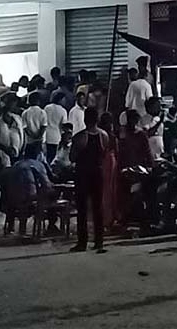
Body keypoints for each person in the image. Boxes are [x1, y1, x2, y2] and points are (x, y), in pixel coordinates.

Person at [70, 107, 109, 253]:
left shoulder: (80, 137)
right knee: (98, 207)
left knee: (82, 209)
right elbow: (104, 153)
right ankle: (99, 242)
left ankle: (82, 242)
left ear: (85, 119)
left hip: (83, 174)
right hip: (98, 173)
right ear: (97, 119)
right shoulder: (104, 136)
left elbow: (72, 157)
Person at [1, 143, 56, 237]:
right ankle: (51, 227)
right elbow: (47, 185)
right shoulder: (38, 165)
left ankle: (14, 228)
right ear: (38, 154)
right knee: (52, 197)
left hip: (11, 201)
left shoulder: (16, 164)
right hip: (30, 199)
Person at [0, 94, 25, 169]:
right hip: (4, 155)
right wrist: (6, 150)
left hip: (18, 153)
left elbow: (23, 135)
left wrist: (22, 150)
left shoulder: (18, 119)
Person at [43, 91, 68, 162]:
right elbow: (64, 125)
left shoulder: (47, 107)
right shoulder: (63, 111)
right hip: (56, 137)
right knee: (53, 157)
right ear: (60, 100)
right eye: (64, 99)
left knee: (46, 157)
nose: (65, 101)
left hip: (46, 136)